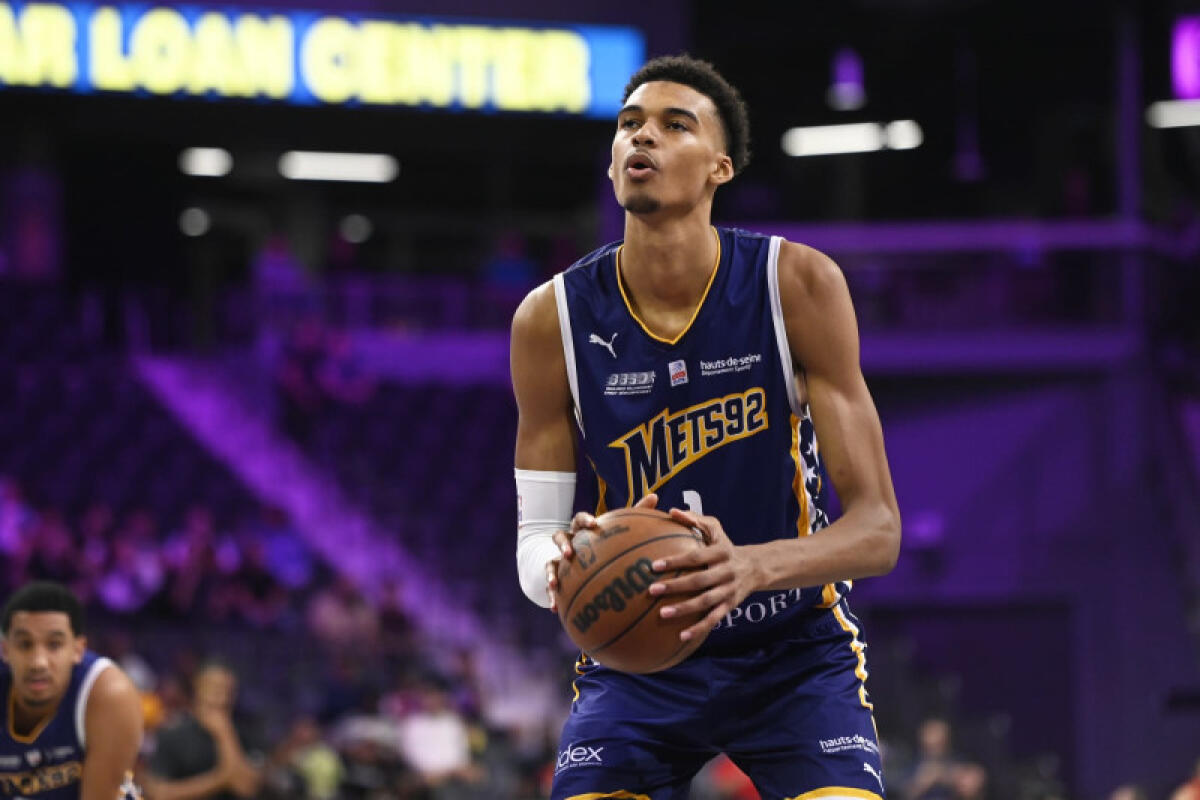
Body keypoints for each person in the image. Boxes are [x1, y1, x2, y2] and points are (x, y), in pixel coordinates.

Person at [510, 54, 902, 799]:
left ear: (721, 166)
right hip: (640, 659)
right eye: (629, 124)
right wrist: (563, 564)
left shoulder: (796, 283)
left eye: (673, 125)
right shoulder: (549, 319)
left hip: (790, 649)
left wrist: (749, 568)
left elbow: (878, 531)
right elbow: (535, 543)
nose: (642, 137)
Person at [0, 580, 143, 799]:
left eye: (54, 645)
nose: (38, 662)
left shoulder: (107, 693)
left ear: (78, 649)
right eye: (25, 644)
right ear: (5, 650)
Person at [141, 659, 263, 800]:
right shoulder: (171, 734)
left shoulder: (247, 735)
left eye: (227, 691)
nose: (221, 698)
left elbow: (246, 788)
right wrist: (221, 779)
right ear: (198, 687)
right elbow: (159, 794)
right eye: (214, 689)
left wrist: (225, 735)